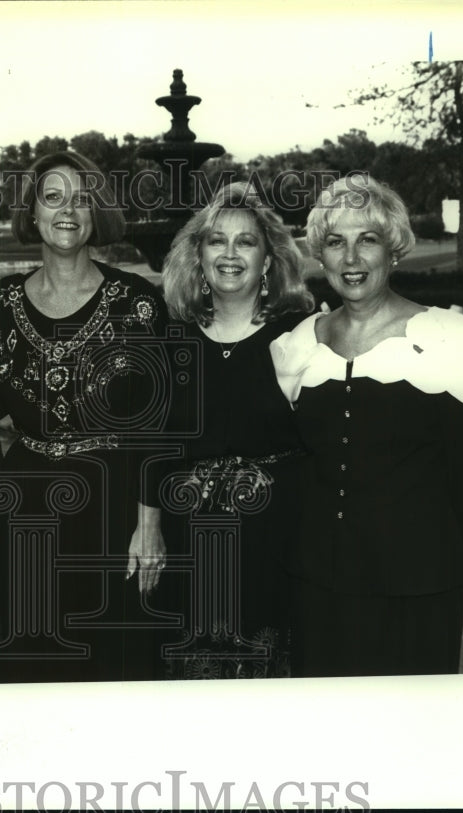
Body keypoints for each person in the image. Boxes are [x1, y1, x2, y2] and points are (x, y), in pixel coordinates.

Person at [270, 174, 463, 677]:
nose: (351, 259)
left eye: (366, 240)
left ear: (392, 250)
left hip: (416, 590)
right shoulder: (297, 346)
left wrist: (429, 562)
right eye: (336, 243)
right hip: (317, 587)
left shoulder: (453, 341)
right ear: (320, 255)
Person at [0, 150, 168, 683]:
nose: (68, 210)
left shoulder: (137, 302)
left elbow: (159, 428)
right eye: (53, 196)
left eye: (82, 198)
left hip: (115, 511)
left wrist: (150, 523)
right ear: (33, 213)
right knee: (28, 669)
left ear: (97, 213)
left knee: (118, 668)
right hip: (24, 513)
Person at [152, 182, 314, 679]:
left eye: (246, 241)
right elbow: (154, 446)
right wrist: (149, 525)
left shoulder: (301, 332)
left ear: (267, 260)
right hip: (187, 543)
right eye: (216, 240)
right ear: (198, 255)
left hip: (273, 542)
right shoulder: (171, 336)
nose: (229, 253)